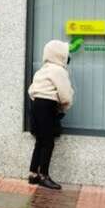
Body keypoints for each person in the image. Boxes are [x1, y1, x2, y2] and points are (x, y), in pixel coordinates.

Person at [27, 39, 74, 190]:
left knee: (40, 141)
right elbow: (65, 95)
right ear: (60, 55)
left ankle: (33, 174)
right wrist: (64, 107)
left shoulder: (42, 70)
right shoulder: (59, 71)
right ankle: (44, 176)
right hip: (48, 105)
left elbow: (31, 89)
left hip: (36, 104)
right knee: (48, 142)